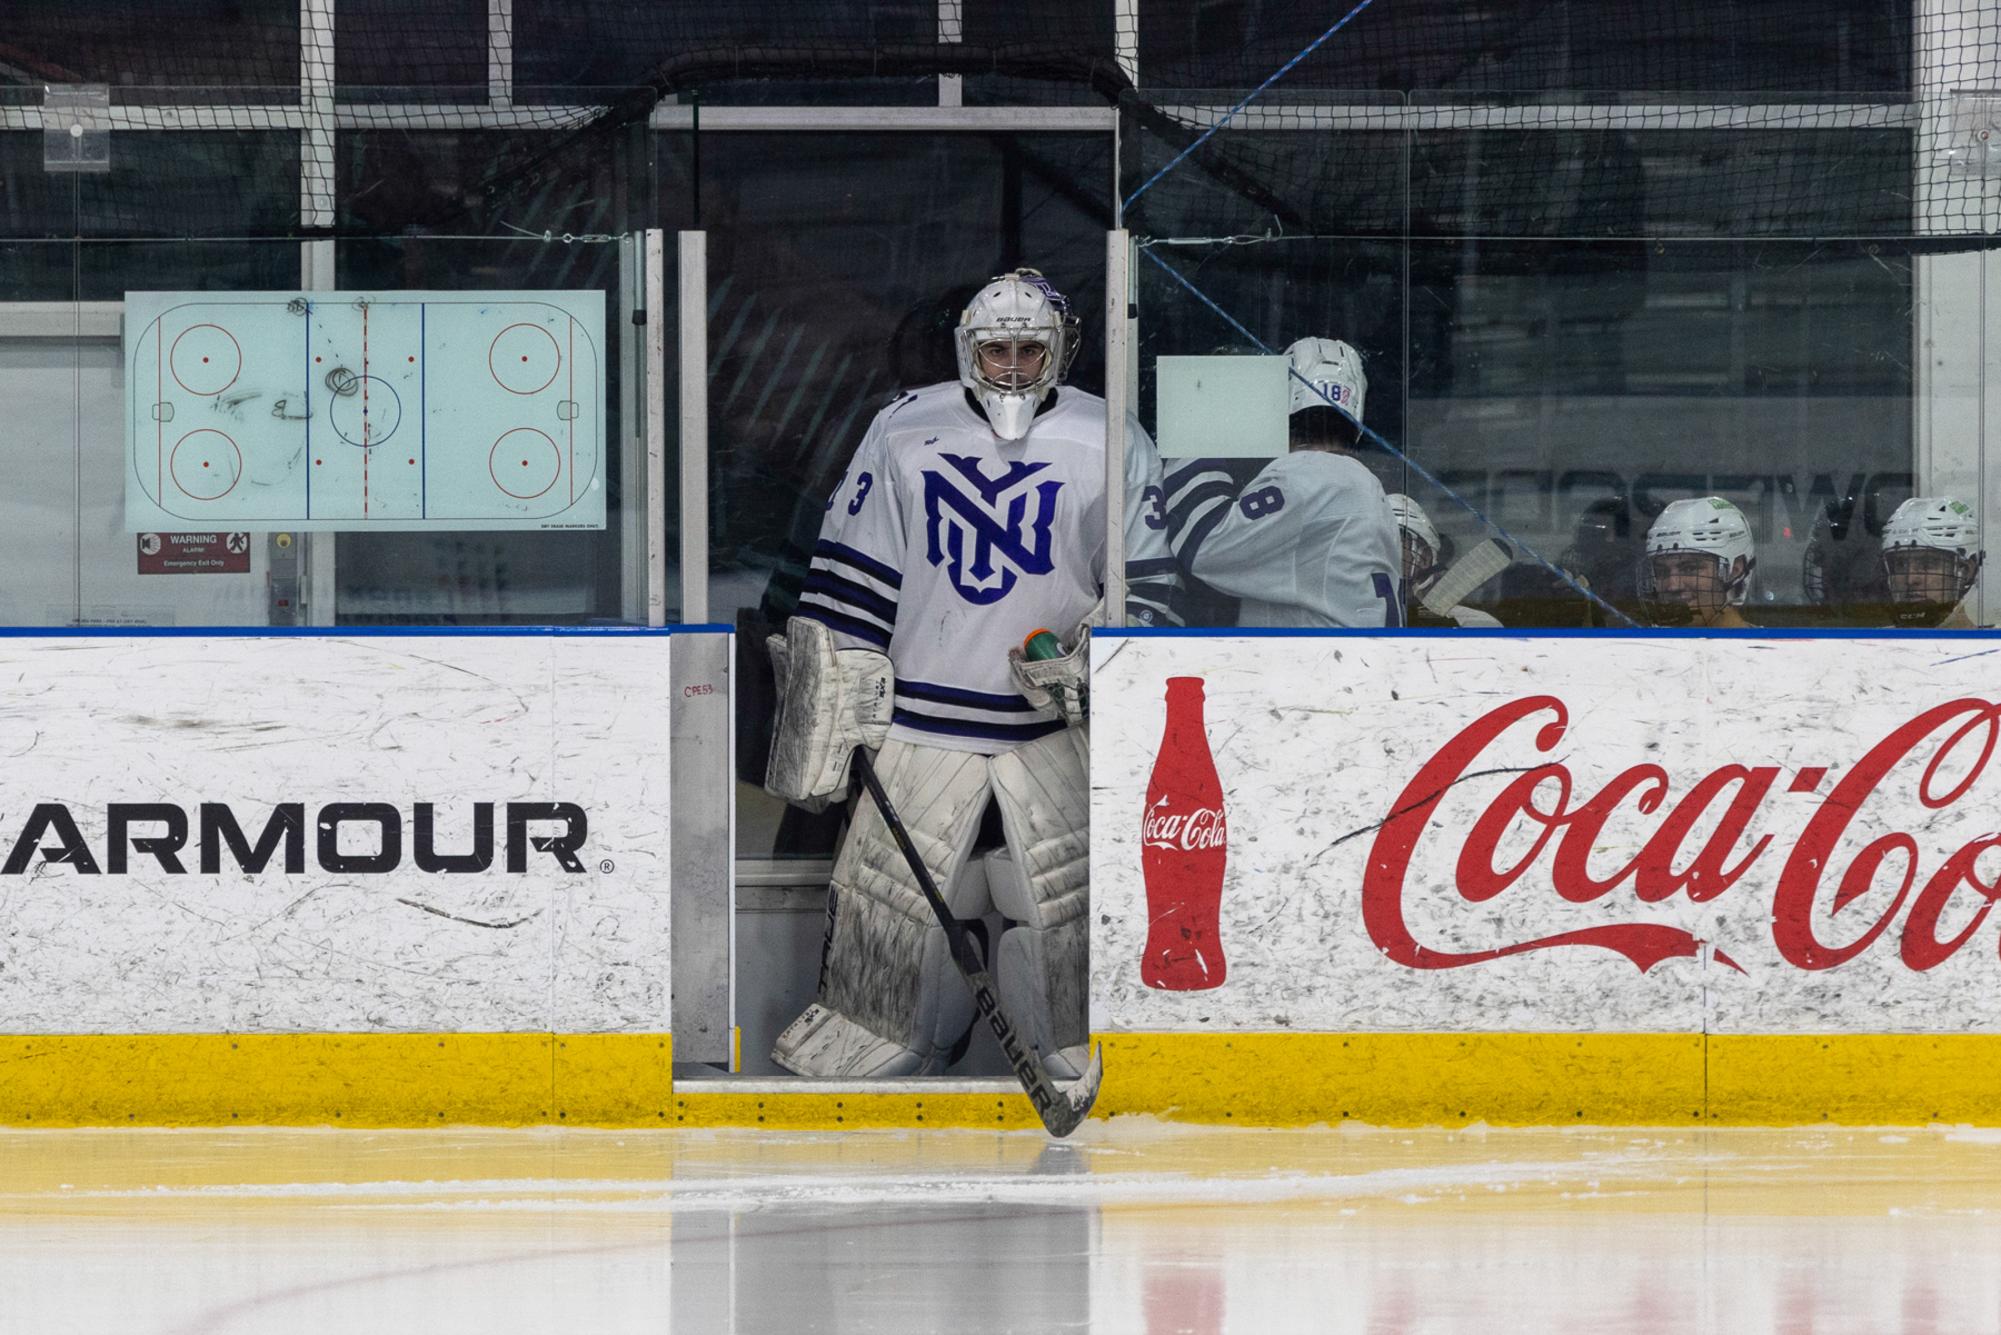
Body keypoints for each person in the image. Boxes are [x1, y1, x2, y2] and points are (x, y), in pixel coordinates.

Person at [762, 268, 1176, 1079]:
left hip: (1049, 727)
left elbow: (1146, 592)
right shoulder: (903, 428)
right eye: (996, 352)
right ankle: (882, 1035)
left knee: (1062, 907)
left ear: (1060, 349)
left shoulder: (1110, 435)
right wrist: (828, 718)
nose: (1013, 366)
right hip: (920, 720)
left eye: (1030, 349)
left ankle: (1069, 1042)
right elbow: (851, 577)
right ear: (966, 351)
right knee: (890, 905)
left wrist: (1096, 660)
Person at [1164, 337, 1403, 628]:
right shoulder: (1360, 483)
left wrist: (1203, 425)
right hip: (1347, 662)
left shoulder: (1314, 474)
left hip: (1319, 667)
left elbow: (1203, 542)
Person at [1387, 493, 1503, 627]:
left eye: (1394, 542)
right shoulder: (1361, 617)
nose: (1380, 554)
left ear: (1425, 558)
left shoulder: (1475, 622)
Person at [1642, 496, 1756, 628]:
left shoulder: (1774, 647)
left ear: (1734, 571)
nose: (1672, 586)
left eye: (1690, 569)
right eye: (1661, 572)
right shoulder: (1650, 646)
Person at [1880, 495, 1984, 628]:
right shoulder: (1869, 645)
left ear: (1966, 571)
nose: (1910, 579)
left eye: (1927, 564)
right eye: (1900, 564)